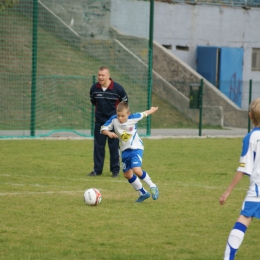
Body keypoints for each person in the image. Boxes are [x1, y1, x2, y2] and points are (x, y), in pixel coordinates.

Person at [219, 97, 260, 260]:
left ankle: (228, 258)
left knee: (244, 218)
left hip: (257, 189)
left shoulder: (250, 138)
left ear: (249, 115)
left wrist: (227, 192)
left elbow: (243, 168)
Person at [101, 101, 159, 202]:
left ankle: (152, 186)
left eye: (123, 116)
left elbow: (144, 113)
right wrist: (108, 133)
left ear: (128, 113)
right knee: (127, 175)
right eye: (118, 115)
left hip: (136, 148)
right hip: (124, 151)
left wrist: (152, 110)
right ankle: (143, 193)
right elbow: (102, 128)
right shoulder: (114, 120)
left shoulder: (133, 118)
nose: (120, 118)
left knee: (136, 170)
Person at [88, 66, 128, 178]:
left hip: (114, 123)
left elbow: (124, 103)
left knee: (114, 147)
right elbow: (93, 101)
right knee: (98, 146)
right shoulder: (94, 89)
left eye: (103, 75)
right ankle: (97, 170)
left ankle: (115, 170)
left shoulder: (118, 89)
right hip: (100, 123)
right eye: (99, 75)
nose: (100, 77)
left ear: (108, 76)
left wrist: (120, 119)